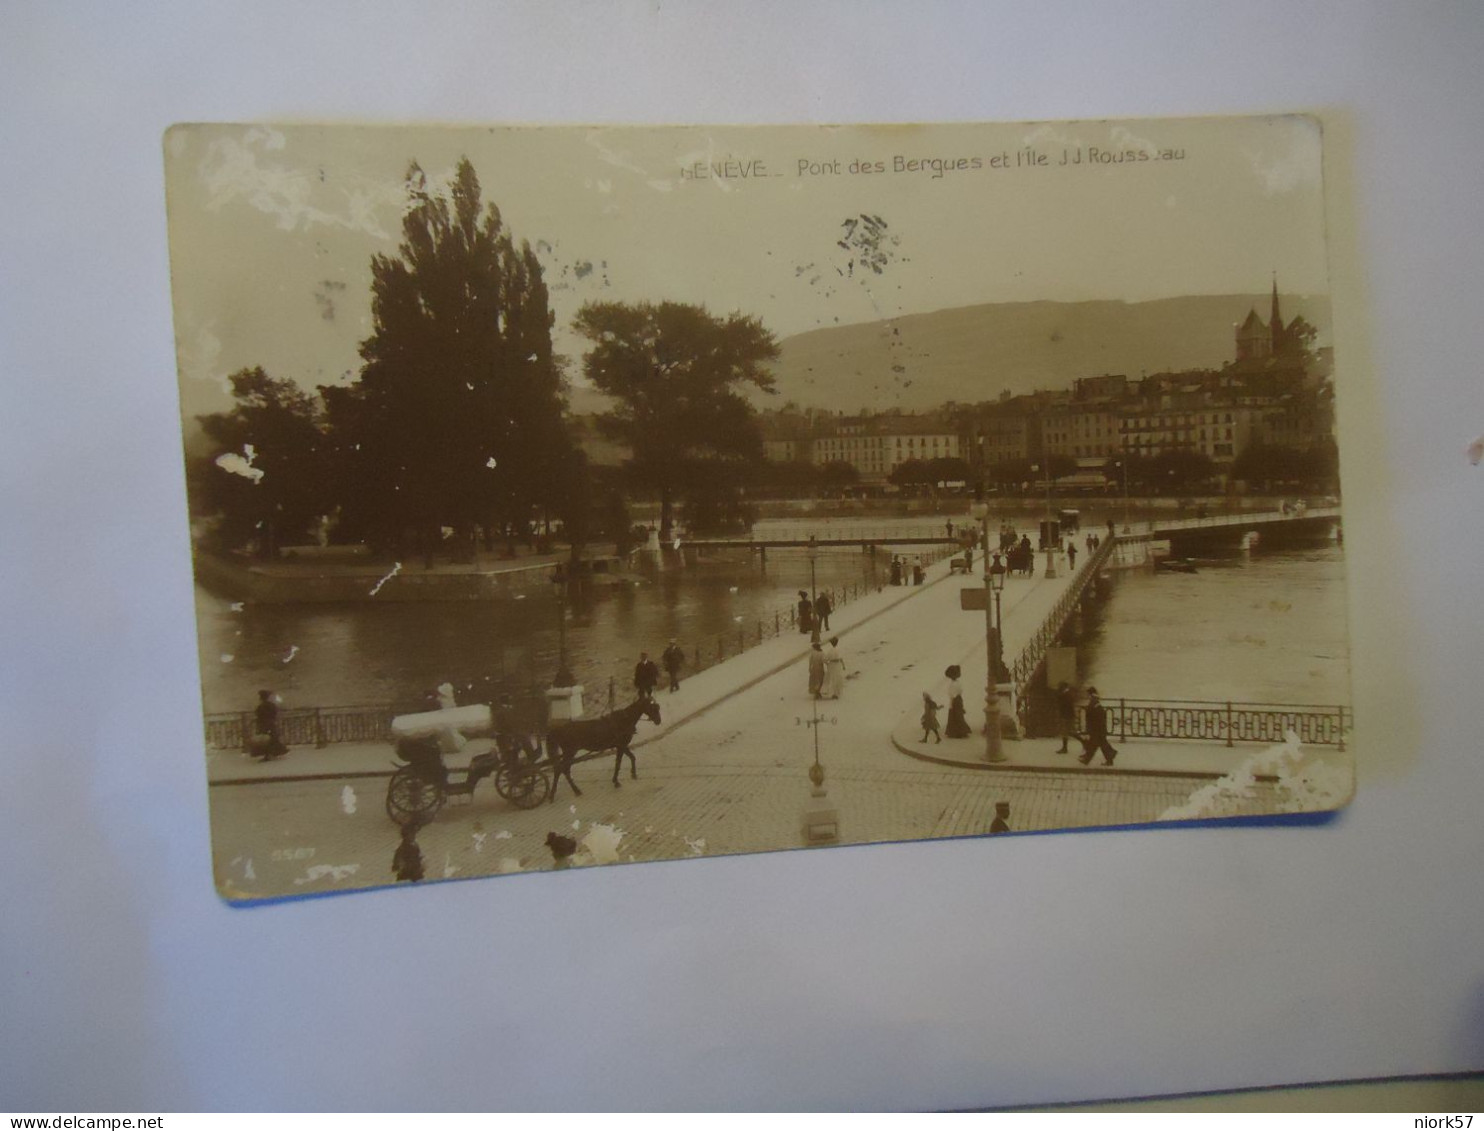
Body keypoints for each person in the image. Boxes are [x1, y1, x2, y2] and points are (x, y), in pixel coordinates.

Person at [1077, 686, 1118, 766]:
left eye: (1087, 693)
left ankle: (1087, 760)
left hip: (1096, 727)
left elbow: (1094, 715)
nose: (1086, 695)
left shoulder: (1094, 702)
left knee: (1094, 744)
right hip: (1099, 727)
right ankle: (1110, 756)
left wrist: (1091, 727)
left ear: (1090, 694)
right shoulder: (1095, 701)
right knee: (1101, 744)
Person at [250, 689, 287, 760]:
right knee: (272, 739)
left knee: (265, 740)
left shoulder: (260, 706)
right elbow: (275, 713)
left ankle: (268, 755)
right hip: (271, 724)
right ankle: (273, 753)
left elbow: (258, 715)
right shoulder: (272, 705)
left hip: (263, 725)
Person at [944, 665, 971, 738]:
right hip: (959, 700)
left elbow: (952, 695)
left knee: (955, 716)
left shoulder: (953, 684)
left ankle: (959, 732)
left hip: (955, 701)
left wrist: (951, 704)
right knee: (959, 715)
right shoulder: (958, 683)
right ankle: (961, 731)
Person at [1055, 680, 1077, 753]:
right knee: (1069, 732)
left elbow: (1063, 704)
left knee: (1066, 732)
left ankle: (1065, 748)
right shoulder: (1069, 694)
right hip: (1068, 715)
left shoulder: (1066, 695)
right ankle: (1065, 748)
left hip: (1066, 716)